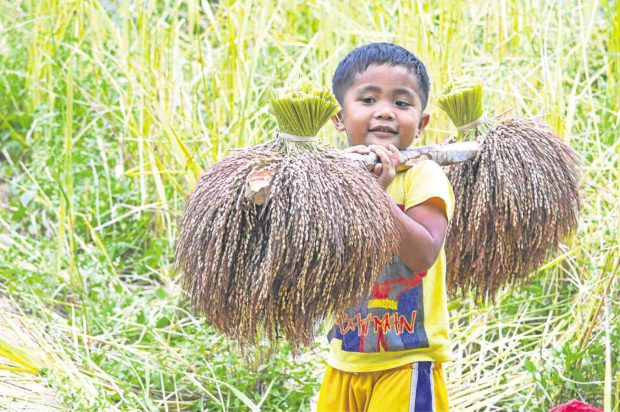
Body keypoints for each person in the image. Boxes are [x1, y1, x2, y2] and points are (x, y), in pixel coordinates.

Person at [316, 43, 455, 412]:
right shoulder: (327, 180)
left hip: (407, 359)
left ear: (422, 124)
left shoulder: (423, 176)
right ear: (338, 117)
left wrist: (376, 197)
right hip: (345, 355)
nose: (385, 113)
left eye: (402, 103)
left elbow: (423, 253)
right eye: (367, 99)